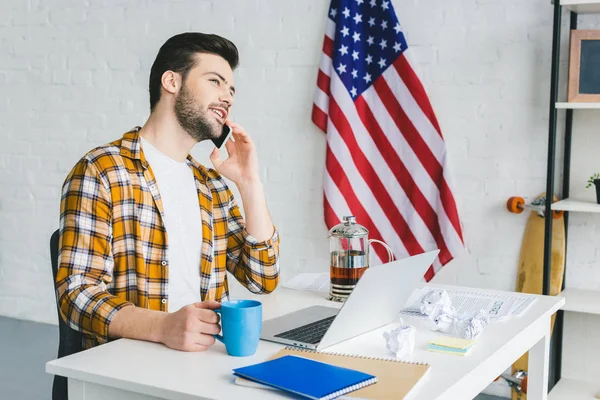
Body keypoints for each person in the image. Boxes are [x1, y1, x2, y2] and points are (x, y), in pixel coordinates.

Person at [55, 32, 280, 353]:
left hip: (205, 359)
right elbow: (76, 293)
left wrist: (249, 183)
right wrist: (163, 326)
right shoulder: (103, 170)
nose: (228, 97)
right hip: (130, 363)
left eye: (231, 89)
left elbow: (262, 278)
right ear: (172, 82)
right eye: (215, 81)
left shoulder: (211, 185)